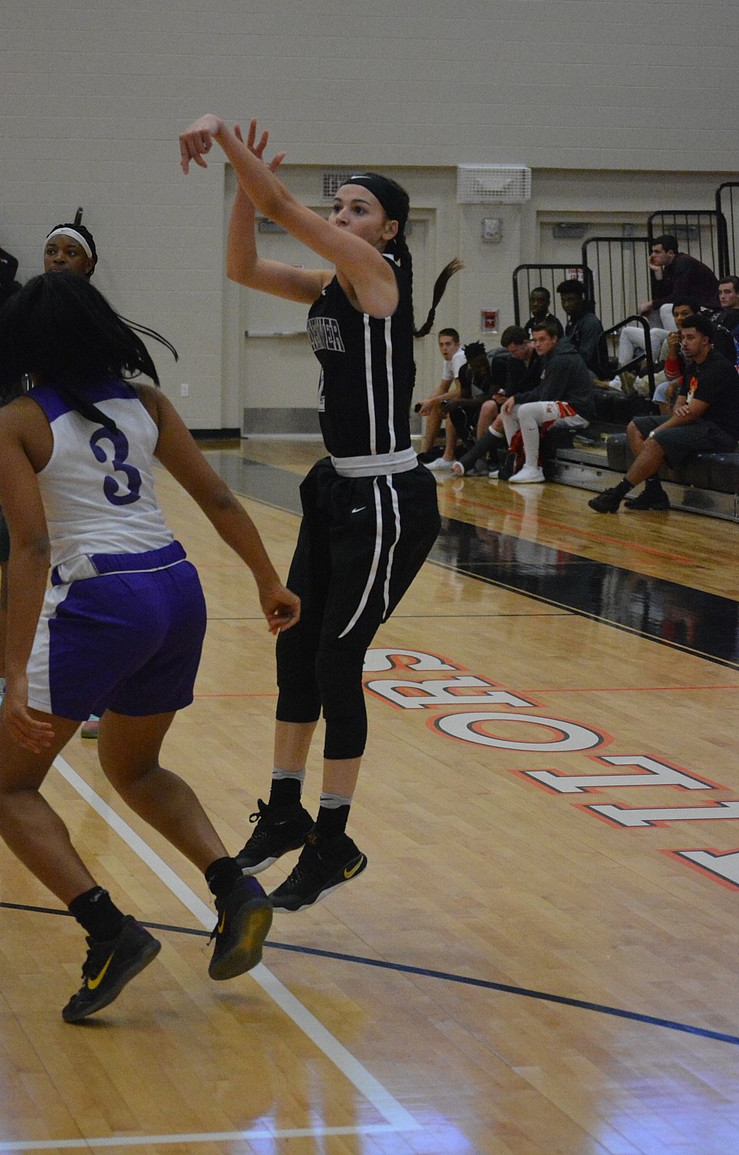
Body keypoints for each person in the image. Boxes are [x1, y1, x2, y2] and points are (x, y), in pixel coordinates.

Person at [0, 272, 300, 1022]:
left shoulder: (12, 421)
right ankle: (234, 886)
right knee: (134, 764)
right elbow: (218, 497)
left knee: (4, 789)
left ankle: (110, 933)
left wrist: (13, 676)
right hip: (177, 587)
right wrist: (266, 580)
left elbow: (29, 549)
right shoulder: (147, 402)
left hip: (102, 598)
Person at [180, 114, 457, 911]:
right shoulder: (328, 283)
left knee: (339, 663)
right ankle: (287, 807)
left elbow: (283, 211)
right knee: (295, 643)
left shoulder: (379, 274)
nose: (341, 221)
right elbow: (241, 264)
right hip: (334, 487)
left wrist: (228, 139)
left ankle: (335, 841)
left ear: (389, 228)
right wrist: (242, 186)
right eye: (338, 213)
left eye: (356, 210)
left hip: (387, 499)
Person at [0, 222, 101, 748]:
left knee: (89, 586)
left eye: (71, 252)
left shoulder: (97, 327)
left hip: (78, 476)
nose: (58, 259)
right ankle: (4, 693)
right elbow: (5, 399)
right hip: (25, 471)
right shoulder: (24, 319)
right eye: (51, 250)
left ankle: (95, 695)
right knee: (12, 585)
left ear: (89, 265)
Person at [589, 313, 739, 513]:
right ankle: (654, 491)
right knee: (635, 426)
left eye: (690, 338)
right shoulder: (694, 364)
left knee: (657, 438)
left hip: (719, 432)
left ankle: (616, 493)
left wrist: (658, 430)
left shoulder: (717, 367)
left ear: (705, 341)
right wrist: (679, 408)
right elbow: (681, 403)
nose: (684, 343)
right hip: (697, 424)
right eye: (682, 337)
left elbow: (691, 413)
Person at [497, 319, 597, 484]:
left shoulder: (561, 359)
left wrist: (518, 397)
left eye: (542, 339)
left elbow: (546, 395)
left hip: (577, 410)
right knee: (508, 410)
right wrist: (514, 399)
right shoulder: (550, 356)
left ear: (554, 339)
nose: (537, 344)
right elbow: (543, 392)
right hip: (562, 405)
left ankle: (533, 467)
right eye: (535, 340)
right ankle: (516, 462)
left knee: (526, 411)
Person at [616, 236, 720, 371]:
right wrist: (658, 274)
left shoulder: (683, 263)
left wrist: (652, 303)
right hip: (690, 305)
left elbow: (677, 296)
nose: (653, 255)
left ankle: (677, 342)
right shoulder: (670, 267)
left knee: (665, 308)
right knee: (641, 321)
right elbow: (665, 295)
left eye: (657, 252)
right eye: (652, 252)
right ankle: (621, 378)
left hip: (706, 307)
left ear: (671, 253)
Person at [451, 325, 541, 477]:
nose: (512, 355)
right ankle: (480, 459)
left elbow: (539, 389)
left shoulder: (540, 358)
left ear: (525, 343)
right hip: (518, 400)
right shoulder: (513, 361)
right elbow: (512, 386)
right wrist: (505, 394)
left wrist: (511, 396)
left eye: (514, 351)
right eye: (510, 352)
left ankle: (485, 459)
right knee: (485, 408)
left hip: (535, 401)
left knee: (494, 409)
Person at [425, 341, 496, 471]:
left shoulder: (496, 365)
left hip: (494, 405)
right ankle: (470, 453)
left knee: (485, 407)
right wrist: (451, 405)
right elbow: (466, 397)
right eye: (477, 366)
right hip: (478, 403)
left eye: (483, 364)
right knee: (456, 412)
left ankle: (485, 458)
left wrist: (459, 402)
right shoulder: (465, 371)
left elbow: (491, 396)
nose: (482, 369)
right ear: (469, 363)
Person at [415, 327, 466, 464]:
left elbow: (461, 391)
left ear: (457, 345)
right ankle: (425, 454)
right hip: (466, 399)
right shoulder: (448, 360)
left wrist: (433, 401)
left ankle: (448, 456)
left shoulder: (459, 357)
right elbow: (443, 388)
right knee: (436, 407)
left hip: (475, 399)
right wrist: (428, 402)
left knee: (451, 407)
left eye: (448, 344)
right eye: (441, 344)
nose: (444, 348)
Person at [557, 279, 606, 376]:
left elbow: (585, 357)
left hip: (591, 373)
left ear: (580, 299)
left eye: (570, 300)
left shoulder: (590, 322)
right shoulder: (573, 321)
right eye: (563, 300)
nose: (566, 305)